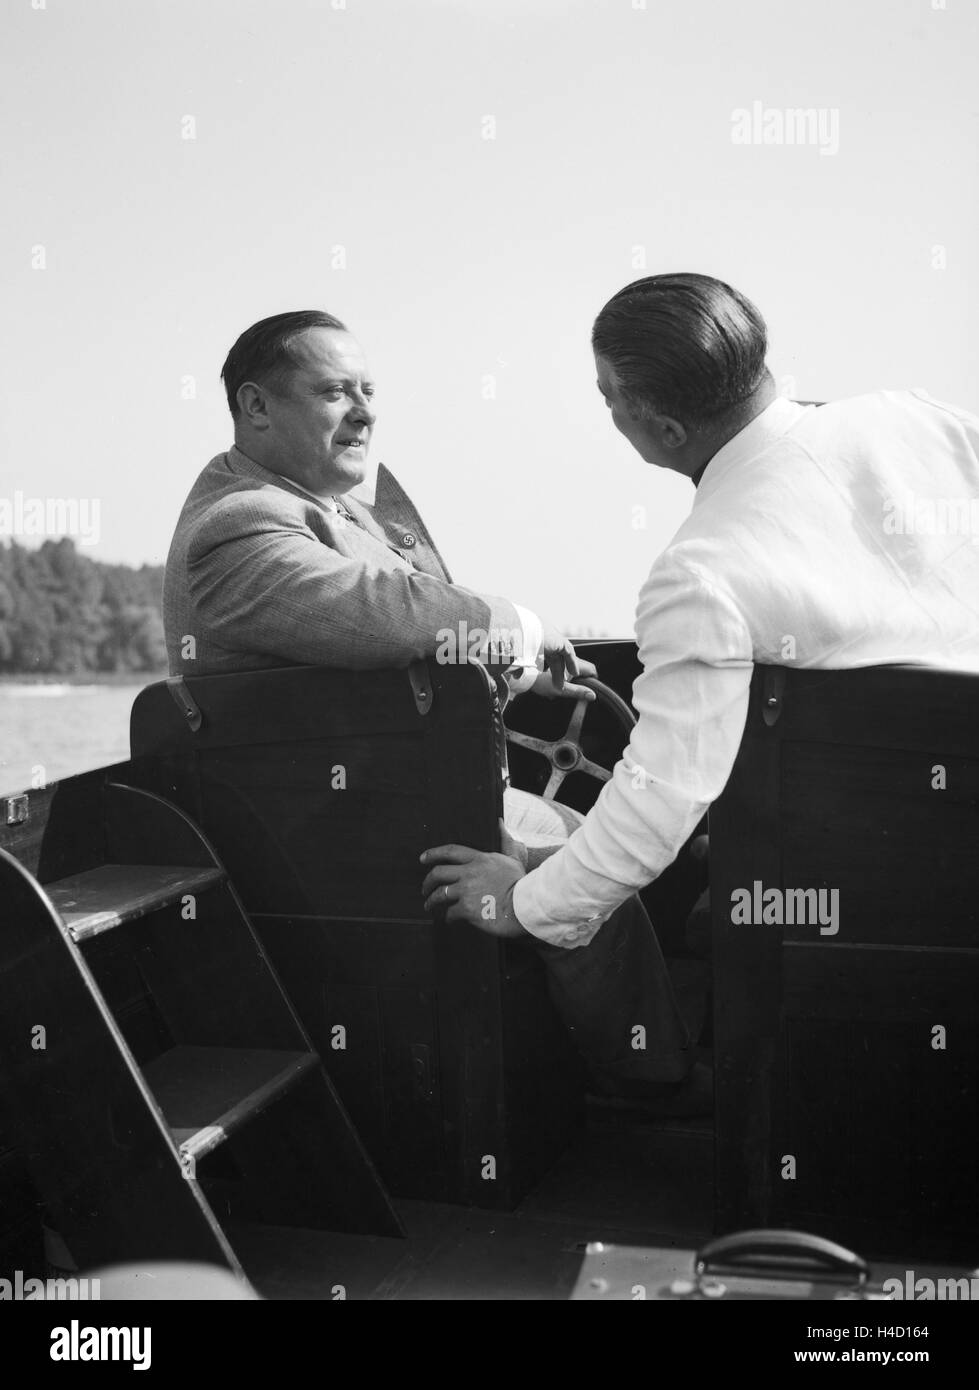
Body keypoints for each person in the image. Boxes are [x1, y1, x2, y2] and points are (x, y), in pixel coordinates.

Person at [163, 310, 706, 1114]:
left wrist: (518, 672)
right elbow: (380, 611)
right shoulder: (238, 527)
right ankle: (643, 1081)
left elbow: (390, 645)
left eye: (369, 390)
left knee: (621, 836)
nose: (364, 409)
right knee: (584, 863)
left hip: (375, 798)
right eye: (333, 391)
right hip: (330, 833)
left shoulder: (323, 512)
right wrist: (517, 627)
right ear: (256, 407)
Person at [420, 271, 979, 945]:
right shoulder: (921, 417)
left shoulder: (699, 572)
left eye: (607, 400)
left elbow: (662, 794)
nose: (612, 418)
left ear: (663, 429)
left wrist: (520, 904)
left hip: (857, 896)